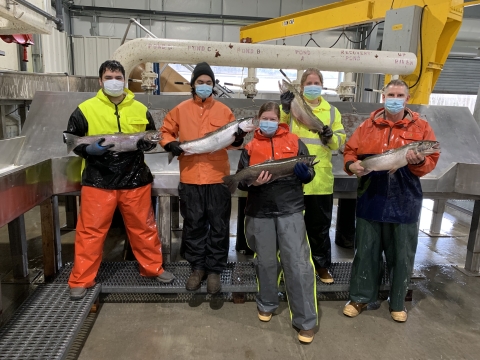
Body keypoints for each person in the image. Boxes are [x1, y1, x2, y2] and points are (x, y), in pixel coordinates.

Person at [64, 60, 175, 300]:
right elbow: (71, 140)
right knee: (90, 232)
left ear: (125, 81)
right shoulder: (84, 109)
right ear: (100, 81)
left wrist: (148, 142)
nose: (114, 81)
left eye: (118, 77)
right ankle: (81, 278)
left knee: (144, 228)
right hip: (98, 179)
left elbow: (150, 135)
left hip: (135, 178)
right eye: (109, 77)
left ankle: (153, 269)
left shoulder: (140, 109)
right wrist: (88, 150)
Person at [342, 79, 439, 322]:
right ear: (383, 97)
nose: (394, 99)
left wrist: (419, 162)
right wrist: (352, 165)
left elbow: (431, 159)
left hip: (405, 200)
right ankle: (360, 298)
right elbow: (350, 152)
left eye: (400, 95)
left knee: (402, 255)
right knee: (366, 251)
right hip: (370, 197)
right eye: (390, 94)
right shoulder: (367, 126)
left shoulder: (421, 127)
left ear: (407, 99)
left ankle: (397, 303)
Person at [160, 62, 247, 294]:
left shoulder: (224, 111)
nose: (204, 86)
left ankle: (215, 270)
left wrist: (238, 139)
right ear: (193, 85)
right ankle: (197, 268)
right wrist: (171, 144)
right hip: (190, 178)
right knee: (194, 225)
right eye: (200, 82)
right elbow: (166, 130)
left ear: (214, 85)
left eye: (209, 83)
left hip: (218, 178)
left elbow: (231, 144)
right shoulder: (180, 109)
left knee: (219, 226)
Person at [237, 101, 317, 343]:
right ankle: (267, 303)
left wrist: (306, 174)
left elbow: (310, 173)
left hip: (290, 210)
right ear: (259, 119)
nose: (269, 122)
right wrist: (254, 182)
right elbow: (240, 182)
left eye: (273, 118)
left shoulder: (295, 141)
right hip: (259, 211)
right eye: (265, 118)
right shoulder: (249, 146)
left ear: (279, 120)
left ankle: (305, 321)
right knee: (266, 262)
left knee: (298, 264)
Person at [280, 68, 346, 284]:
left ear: (322, 85)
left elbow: (339, 142)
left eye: (316, 82)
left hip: (320, 181)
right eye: (308, 82)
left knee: (319, 228)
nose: (312, 85)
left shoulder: (332, 112)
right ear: (300, 87)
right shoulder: (290, 108)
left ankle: (321, 266)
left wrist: (330, 137)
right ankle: (289, 267)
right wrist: (284, 107)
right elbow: (279, 128)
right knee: (290, 228)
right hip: (293, 177)